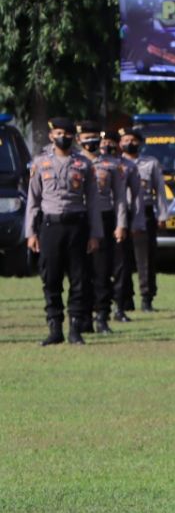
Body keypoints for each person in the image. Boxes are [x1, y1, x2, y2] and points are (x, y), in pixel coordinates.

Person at [24, 117, 103, 345]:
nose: (63, 137)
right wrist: (31, 232)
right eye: (59, 133)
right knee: (51, 278)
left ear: (74, 137)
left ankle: (75, 329)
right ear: (51, 136)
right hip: (50, 226)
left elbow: (94, 202)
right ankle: (54, 328)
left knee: (79, 279)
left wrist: (95, 233)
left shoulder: (83, 164)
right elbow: (33, 200)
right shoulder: (40, 163)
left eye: (68, 134)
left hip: (77, 226)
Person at [76, 121, 128, 335]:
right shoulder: (74, 163)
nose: (91, 141)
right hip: (79, 220)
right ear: (79, 140)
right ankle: (83, 318)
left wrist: (121, 224)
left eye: (94, 137)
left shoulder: (111, 165)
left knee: (102, 271)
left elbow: (120, 198)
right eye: (86, 137)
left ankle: (103, 317)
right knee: (80, 272)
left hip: (105, 219)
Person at [120, 127, 168, 313]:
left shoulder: (150, 163)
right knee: (122, 259)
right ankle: (125, 298)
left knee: (145, 258)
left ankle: (147, 298)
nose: (128, 143)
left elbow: (160, 191)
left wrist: (163, 215)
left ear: (139, 142)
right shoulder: (117, 163)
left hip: (145, 212)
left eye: (132, 140)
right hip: (122, 214)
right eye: (124, 140)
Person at [105, 130, 141, 324]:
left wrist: (134, 222)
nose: (107, 146)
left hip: (120, 217)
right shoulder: (90, 165)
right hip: (98, 216)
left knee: (121, 266)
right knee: (99, 266)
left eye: (111, 142)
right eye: (105, 142)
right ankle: (99, 306)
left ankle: (120, 306)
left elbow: (136, 197)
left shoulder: (126, 166)